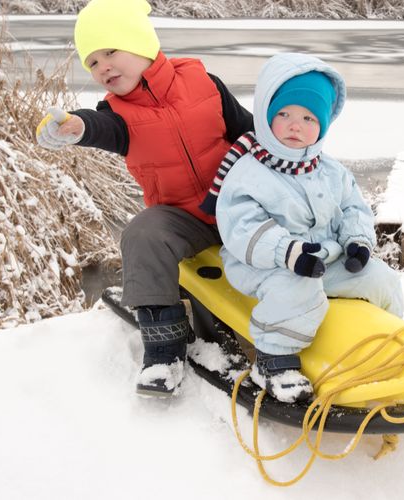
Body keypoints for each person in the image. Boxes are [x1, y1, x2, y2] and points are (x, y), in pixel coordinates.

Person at [34, 0, 253, 397]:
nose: (102, 67)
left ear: (142, 44)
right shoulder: (116, 114)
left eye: (110, 51)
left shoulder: (204, 83)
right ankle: (165, 348)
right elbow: (99, 127)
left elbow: (249, 133)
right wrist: (76, 126)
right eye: (92, 62)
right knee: (142, 233)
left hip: (241, 207)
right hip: (183, 218)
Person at [209, 53, 404, 404]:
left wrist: (357, 241)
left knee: (382, 278)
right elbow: (242, 226)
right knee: (296, 285)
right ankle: (273, 360)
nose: (294, 125)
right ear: (266, 116)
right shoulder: (248, 171)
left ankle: (386, 340)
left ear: (324, 124)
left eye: (308, 117)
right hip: (262, 264)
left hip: (323, 258)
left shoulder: (330, 170)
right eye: (283, 114)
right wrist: (288, 252)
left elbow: (352, 207)